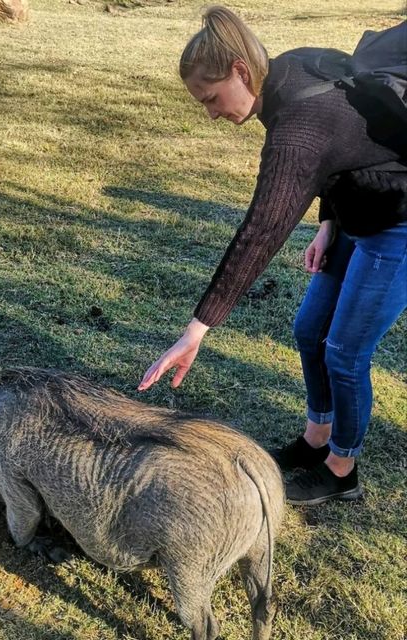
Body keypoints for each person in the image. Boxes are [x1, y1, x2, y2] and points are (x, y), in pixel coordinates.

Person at [138, 6, 407, 506]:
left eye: (212, 98)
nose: (211, 113)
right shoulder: (290, 68)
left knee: (346, 352)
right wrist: (329, 224)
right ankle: (316, 439)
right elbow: (352, 142)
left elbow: (261, 231)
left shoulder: (296, 127)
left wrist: (196, 329)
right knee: (309, 330)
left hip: (398, 220)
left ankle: (342, 469)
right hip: (355, 212)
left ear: (241, 71)